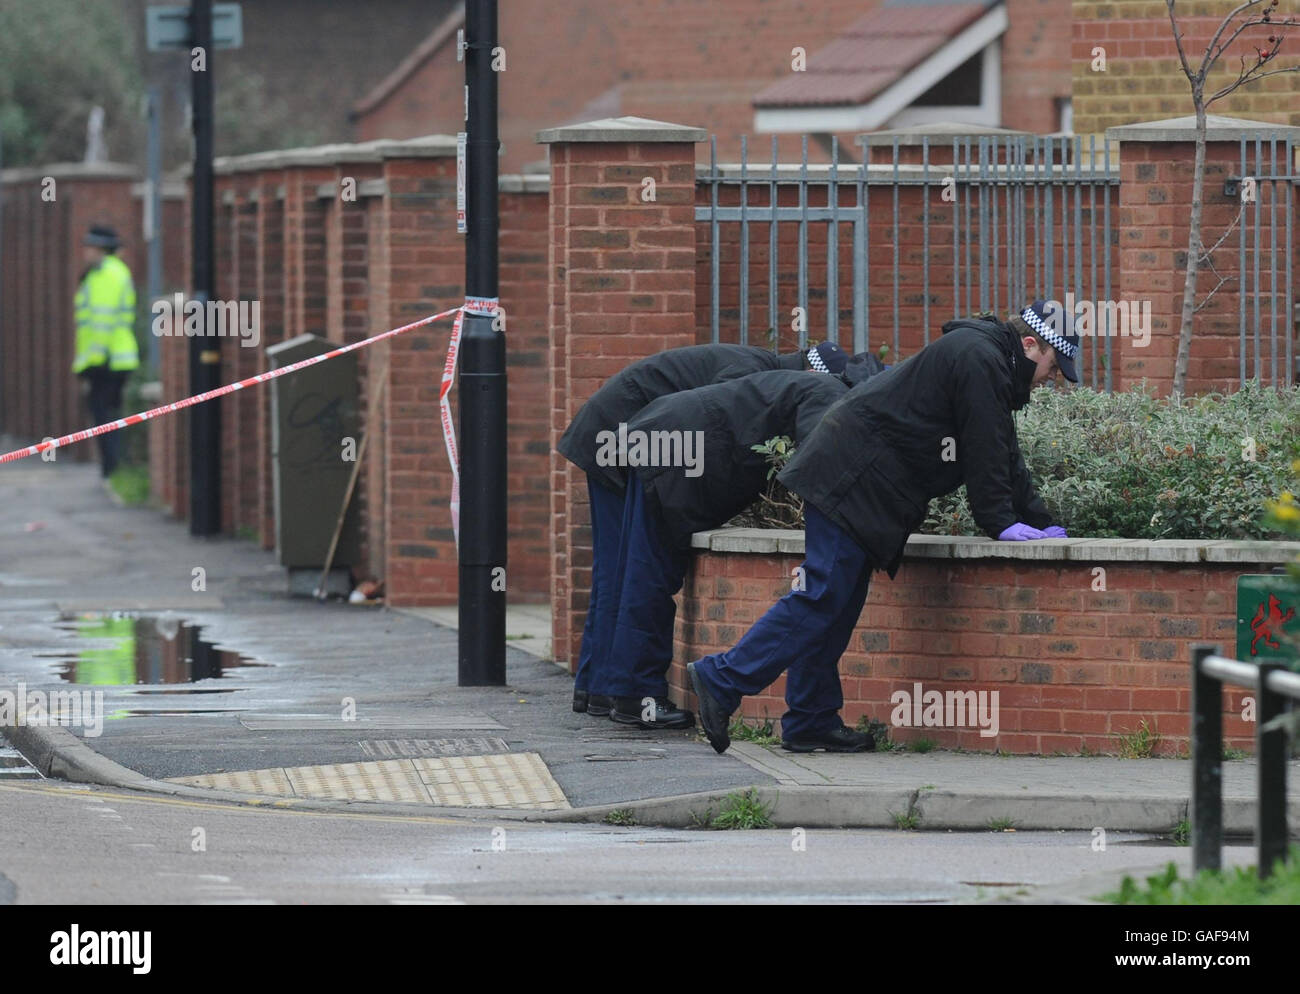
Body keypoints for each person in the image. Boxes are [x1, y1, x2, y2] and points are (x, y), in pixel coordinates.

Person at [688, 301, 1079, 754]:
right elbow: (984, 450)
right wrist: (1000, 523)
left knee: (834, 604)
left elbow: (1004, 450)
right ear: (1031, 344)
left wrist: (1042, 523)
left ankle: (811, 720)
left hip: (859, 482)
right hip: (850, 479)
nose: (1051, 380)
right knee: (822, 597)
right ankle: (721, 678)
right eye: (1053, 367)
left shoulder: (988, 360)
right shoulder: (979, 358)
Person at [557, 341, 850, 718]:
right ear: (812, 374)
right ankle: (629, 692)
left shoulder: (756, 366)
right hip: (623, 442)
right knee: (630, 571)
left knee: (614, 570)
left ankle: (597, 688)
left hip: (619, 438)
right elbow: (703, 423)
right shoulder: (750, 371)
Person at [72, 225, 138, 478]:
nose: (85, 252)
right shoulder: (105, 272)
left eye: (89, 246)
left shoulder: (106, 274)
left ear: (100, 248)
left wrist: (94, 360)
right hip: (111, 358)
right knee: (107, 414)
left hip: (108, 359)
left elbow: (103, 320)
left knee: (105, 416)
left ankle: (113, 470)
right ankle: (113, 469)